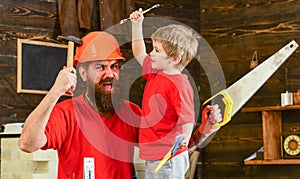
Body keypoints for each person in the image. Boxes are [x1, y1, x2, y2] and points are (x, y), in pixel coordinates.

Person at [18, 31, 141, 179]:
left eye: (114, 66)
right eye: (100, 67)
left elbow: (159, 144)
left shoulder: (131, 112)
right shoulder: (66, 113)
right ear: (83, 73)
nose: (109, 74)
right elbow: (27, 144)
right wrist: (56, 90)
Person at [130, 9, 222, 178]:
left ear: (175, 58)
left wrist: (184, 140)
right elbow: (139, 53)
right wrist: (137, 25)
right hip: (154, 155)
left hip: (168, 157)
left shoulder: (180, 85)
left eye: (157, 50)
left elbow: (186, 119)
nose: (151, 53)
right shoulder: (155, 70)